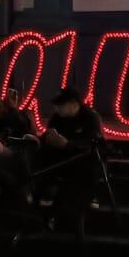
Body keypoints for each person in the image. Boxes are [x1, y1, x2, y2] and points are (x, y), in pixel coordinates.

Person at [42, 87, 104, 218]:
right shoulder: (57, 118)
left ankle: (92, 195)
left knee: (91, 161)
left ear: (74, 104)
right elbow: (49, 134)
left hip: (84, 159)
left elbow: (94, 143)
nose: (57, 108)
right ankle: (47, 191)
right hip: (62, 158)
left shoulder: (90, 117)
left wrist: (68, 144)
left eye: (61, 105)